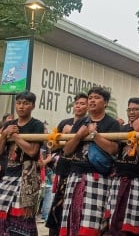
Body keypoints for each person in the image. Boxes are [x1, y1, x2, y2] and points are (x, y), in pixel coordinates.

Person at [59, 87, 120, 235]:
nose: (92, 100)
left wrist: (94, 134)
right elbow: (67, 150)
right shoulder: (81, 122)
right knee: (72, 220)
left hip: (97, 177)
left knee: (92, 222)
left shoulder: (112, 123)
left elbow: (113, 149)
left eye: (97, 97)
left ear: (105, 103)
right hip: (75, 175)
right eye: (90, 97)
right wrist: (79, 136)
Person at [0, 91, 45, 235]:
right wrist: (4, 135)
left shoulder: (37, 125)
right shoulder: (9, 124)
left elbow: (32, 152)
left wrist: (15, 136)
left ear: (33, 106)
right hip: (9, 174)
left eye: (26, 103)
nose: (21, 106)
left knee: (22, 215)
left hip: (27, 177)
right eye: (18, 103)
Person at [105, 97, 139, 236]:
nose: (131, 112)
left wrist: (138, 132)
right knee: (116, 219)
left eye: (135, 109)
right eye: (129, 109)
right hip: (119, 179)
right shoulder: (121, 129)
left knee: (135, 223)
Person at [45, 92, 89, 236]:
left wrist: (72, 134)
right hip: (63, 169)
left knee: (75, 209)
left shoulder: (89, 123)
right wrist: (64, 138)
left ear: (88, 106)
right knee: (57, 207)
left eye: (82, 103)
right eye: (77, 103)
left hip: (79, 171)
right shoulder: (64, 122)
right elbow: (53, 147)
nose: (78, 106)